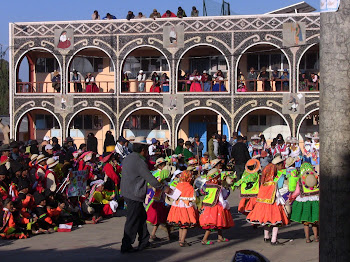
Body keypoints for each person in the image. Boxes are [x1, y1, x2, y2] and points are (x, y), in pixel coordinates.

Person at [120, 141, 171, 253]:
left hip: (128, 191)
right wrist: (164, 188)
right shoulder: (139, 161)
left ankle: (144, 241)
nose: (147, 153)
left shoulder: (129, 157)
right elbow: (150, 178)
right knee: (132, 220)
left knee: (141, 217)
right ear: (143, 150)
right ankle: (126, 245)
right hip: (134, 193)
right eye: (146, 150)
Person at [246, 161, 289, 245]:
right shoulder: (273, 183)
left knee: (266, 222)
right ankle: (274, 239)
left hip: (262, 206)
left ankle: (266, 236)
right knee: (276, 222)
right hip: (272, 205)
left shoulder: (263, 184)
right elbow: (277, 195)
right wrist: (283, 202)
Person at [199, 168, 234, 245]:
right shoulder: (217, 187)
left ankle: (220, 237)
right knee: (213, 223)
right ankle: (204, 239)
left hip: (207, 205)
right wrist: (226, 205)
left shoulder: (207, 185)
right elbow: (221, 198)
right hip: (215, 207)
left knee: (218, 223)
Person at [289, 163, 319, 243]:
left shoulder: (300, 180)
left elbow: (296, 191)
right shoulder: (315, 179)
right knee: (314, 221)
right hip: (315, 201)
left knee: (306, 222)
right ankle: (316, 237)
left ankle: (307, 238)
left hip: (304, 202)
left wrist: (292, 197)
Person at [167, 170, 198, 247]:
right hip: (185, 207)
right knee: (185, 224)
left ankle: (180, 239)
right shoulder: (189, 186)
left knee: (181, 224)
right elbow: (193, 198)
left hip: (177, 206)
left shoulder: (178, 184)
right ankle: (182, 241)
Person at [146, 158, 171, 241]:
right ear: (159, 166)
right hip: (157, 197)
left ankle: (164, 234)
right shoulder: (157, 173)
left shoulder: (161, 173)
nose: (165, 165)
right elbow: (155, 183)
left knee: (164, 216)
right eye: (163, 164)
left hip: (162, 196)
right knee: (161, 216)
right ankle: (155, 234)